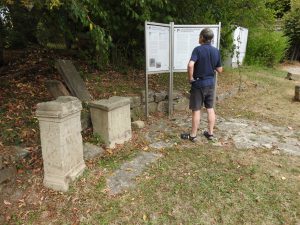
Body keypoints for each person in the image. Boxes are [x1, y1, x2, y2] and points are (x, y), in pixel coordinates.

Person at [181, 28, 223, 142]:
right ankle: (210, 133)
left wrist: (190, 78)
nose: (198, 38)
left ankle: (193, 135)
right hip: (210, 83)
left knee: (196, 110)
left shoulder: (198, 50)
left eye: (199, 36)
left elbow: (190, 65)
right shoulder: (216, 51)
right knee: (210, 108)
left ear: (202, 38)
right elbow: (220, 69)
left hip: (198, 83)